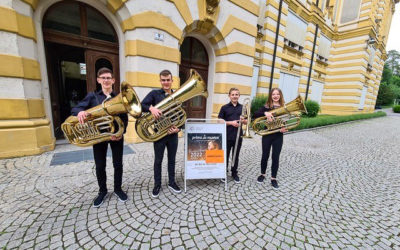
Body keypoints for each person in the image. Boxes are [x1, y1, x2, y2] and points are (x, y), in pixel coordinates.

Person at [71, 67, 128, 207]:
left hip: (116, 136)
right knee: (100, 165)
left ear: (113, 80)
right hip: (99, 137)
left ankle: (118, 189)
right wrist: (80, 113)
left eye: (109, 78)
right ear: (98, 80)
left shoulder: (118, 97)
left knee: (118, 164)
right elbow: (76, 109)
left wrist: (121, 133)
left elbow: (124, 118)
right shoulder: (92, 96)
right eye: (103, 78)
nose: (106, 80)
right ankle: (102, 191)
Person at [141, 69, 182, 197]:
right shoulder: (154, 94)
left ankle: (171, 182)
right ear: (160, 81)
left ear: (172, 80)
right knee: (158, 160)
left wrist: (179, 129)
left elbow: (181, 114)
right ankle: (157, 184)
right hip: (159, 134)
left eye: (168, 80)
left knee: (172, 159)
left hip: (173, 134)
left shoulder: (177, 95)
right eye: (163, 80)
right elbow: (142, 105)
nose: (166, 82)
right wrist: (151, 108)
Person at [253, 88, 288, 188]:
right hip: (267, 134)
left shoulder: (284, 108)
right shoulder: (266, 107)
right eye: (273, 94)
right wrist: (265, 113)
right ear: (271, 96)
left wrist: (283, 127)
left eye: (277, 94)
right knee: (265, 155)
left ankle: (273, 178)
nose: (275, 96)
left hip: (278, 135)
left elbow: (285, 120)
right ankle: (262, 174)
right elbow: (255, 114)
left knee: (275, 157)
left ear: (280, 95)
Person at [218, 88, 247, 183]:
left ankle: (234, 172)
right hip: (227, 135)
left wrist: (244, 121)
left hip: (238, 136)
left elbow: (247, 121)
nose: (234, 96)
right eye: (233, 94)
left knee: (236, 155)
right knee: (225, 155)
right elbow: (219, 121)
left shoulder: (243, 108)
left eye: (236, 94)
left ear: (239, 96)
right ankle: (223, 172)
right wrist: (231, 123)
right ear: (229, 96)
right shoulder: (224, 107)